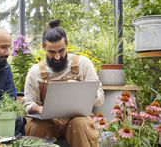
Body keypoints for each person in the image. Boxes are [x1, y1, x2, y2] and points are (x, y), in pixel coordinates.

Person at [21, 19, 104, 147]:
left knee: (80, 124)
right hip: (48, 123)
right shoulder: (35, 71)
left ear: (67, 44)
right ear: (43, 48)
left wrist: (81, 90)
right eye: (52, 52)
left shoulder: (83, 64)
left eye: (61, 51)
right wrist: (38, 109)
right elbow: (28, 101)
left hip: (77, 121)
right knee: (36, 127)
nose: (57, 57)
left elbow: (100, 98)